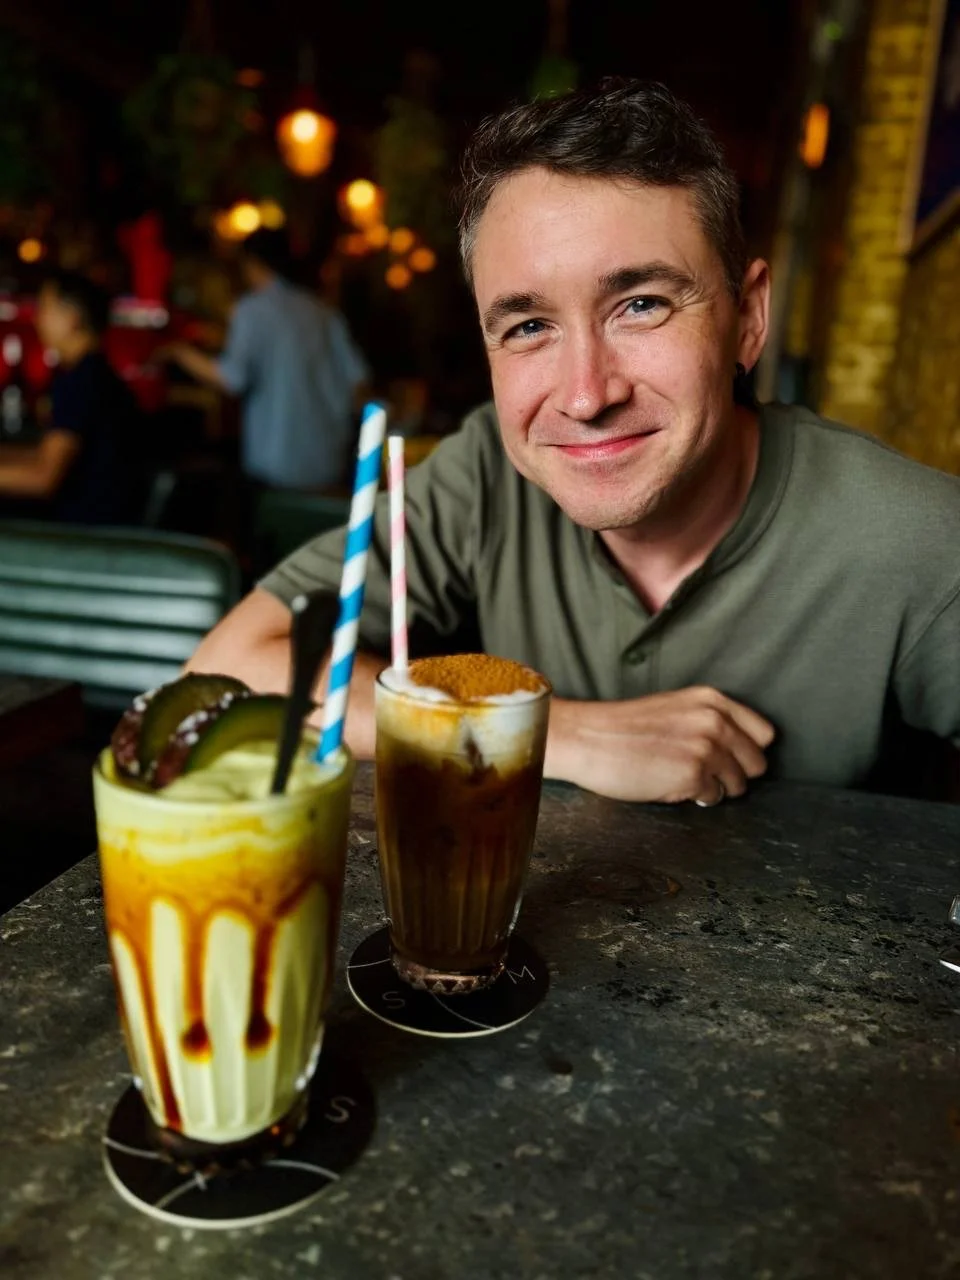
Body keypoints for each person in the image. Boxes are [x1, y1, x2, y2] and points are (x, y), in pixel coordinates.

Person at [184, 78, 960, 807]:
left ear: (748, 319)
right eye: (528, 326)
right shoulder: (489, 468)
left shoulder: (920, 540)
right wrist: (556, 732)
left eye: (642, 305)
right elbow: (226, 670)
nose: (587, 395)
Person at [159, 227, 371, 494]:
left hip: (277, 465)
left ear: (253, 263)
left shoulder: (251, 310)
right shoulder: (323, 312)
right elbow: (358, 382)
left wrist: (179, 352)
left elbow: (232, 378)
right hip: (328, 461)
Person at [0, 269, 142, 525]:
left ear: (72, 318)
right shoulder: (95, 374)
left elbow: (42, 479)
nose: (37, 319)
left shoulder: (80, 382)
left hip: (83, 532)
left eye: (45, 308)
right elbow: (49, 456)